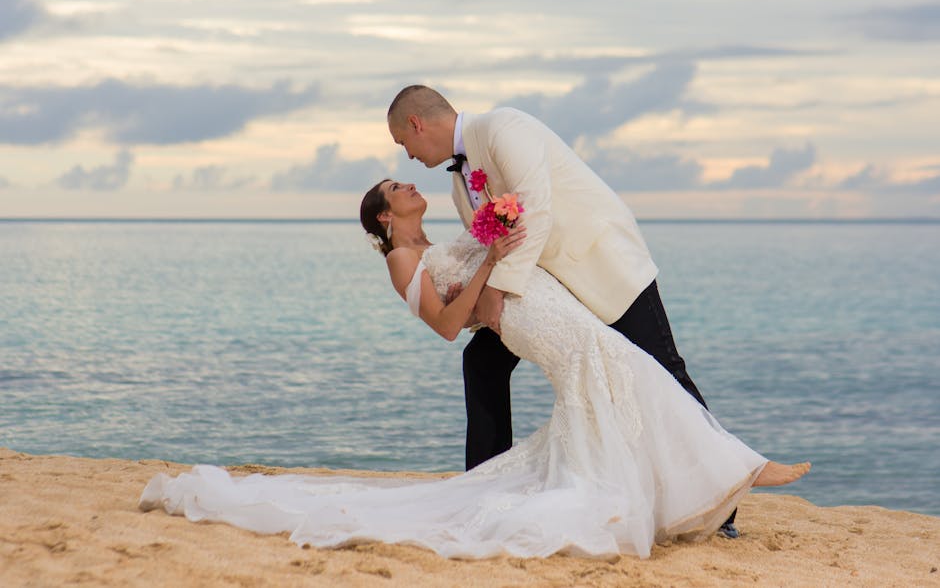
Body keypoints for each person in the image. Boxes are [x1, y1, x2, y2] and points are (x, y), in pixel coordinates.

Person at [139, 180, 809, 560]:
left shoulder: (432, 241)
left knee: (617, 377)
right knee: (618, 366)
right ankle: (738, 466)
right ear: (384, 215)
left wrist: (495, 228)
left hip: (537, 304)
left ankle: (712, 475)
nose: (410, 184)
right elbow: (445, 323)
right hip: (524, 318)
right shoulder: (402, 260)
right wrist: (489, 259)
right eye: (398, 188)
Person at [386, 84, 742, 535]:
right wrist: (476, 296)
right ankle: (482, 490)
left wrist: (497, 290)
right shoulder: (461, 184)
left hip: (601, 264)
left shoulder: (502, 127)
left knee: (665, 369)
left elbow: (536, 208)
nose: (409, 156)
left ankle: (724, 505)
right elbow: (488, 244)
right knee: (482, 363)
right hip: (546, 290)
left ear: (417, 124)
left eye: (404, 143)